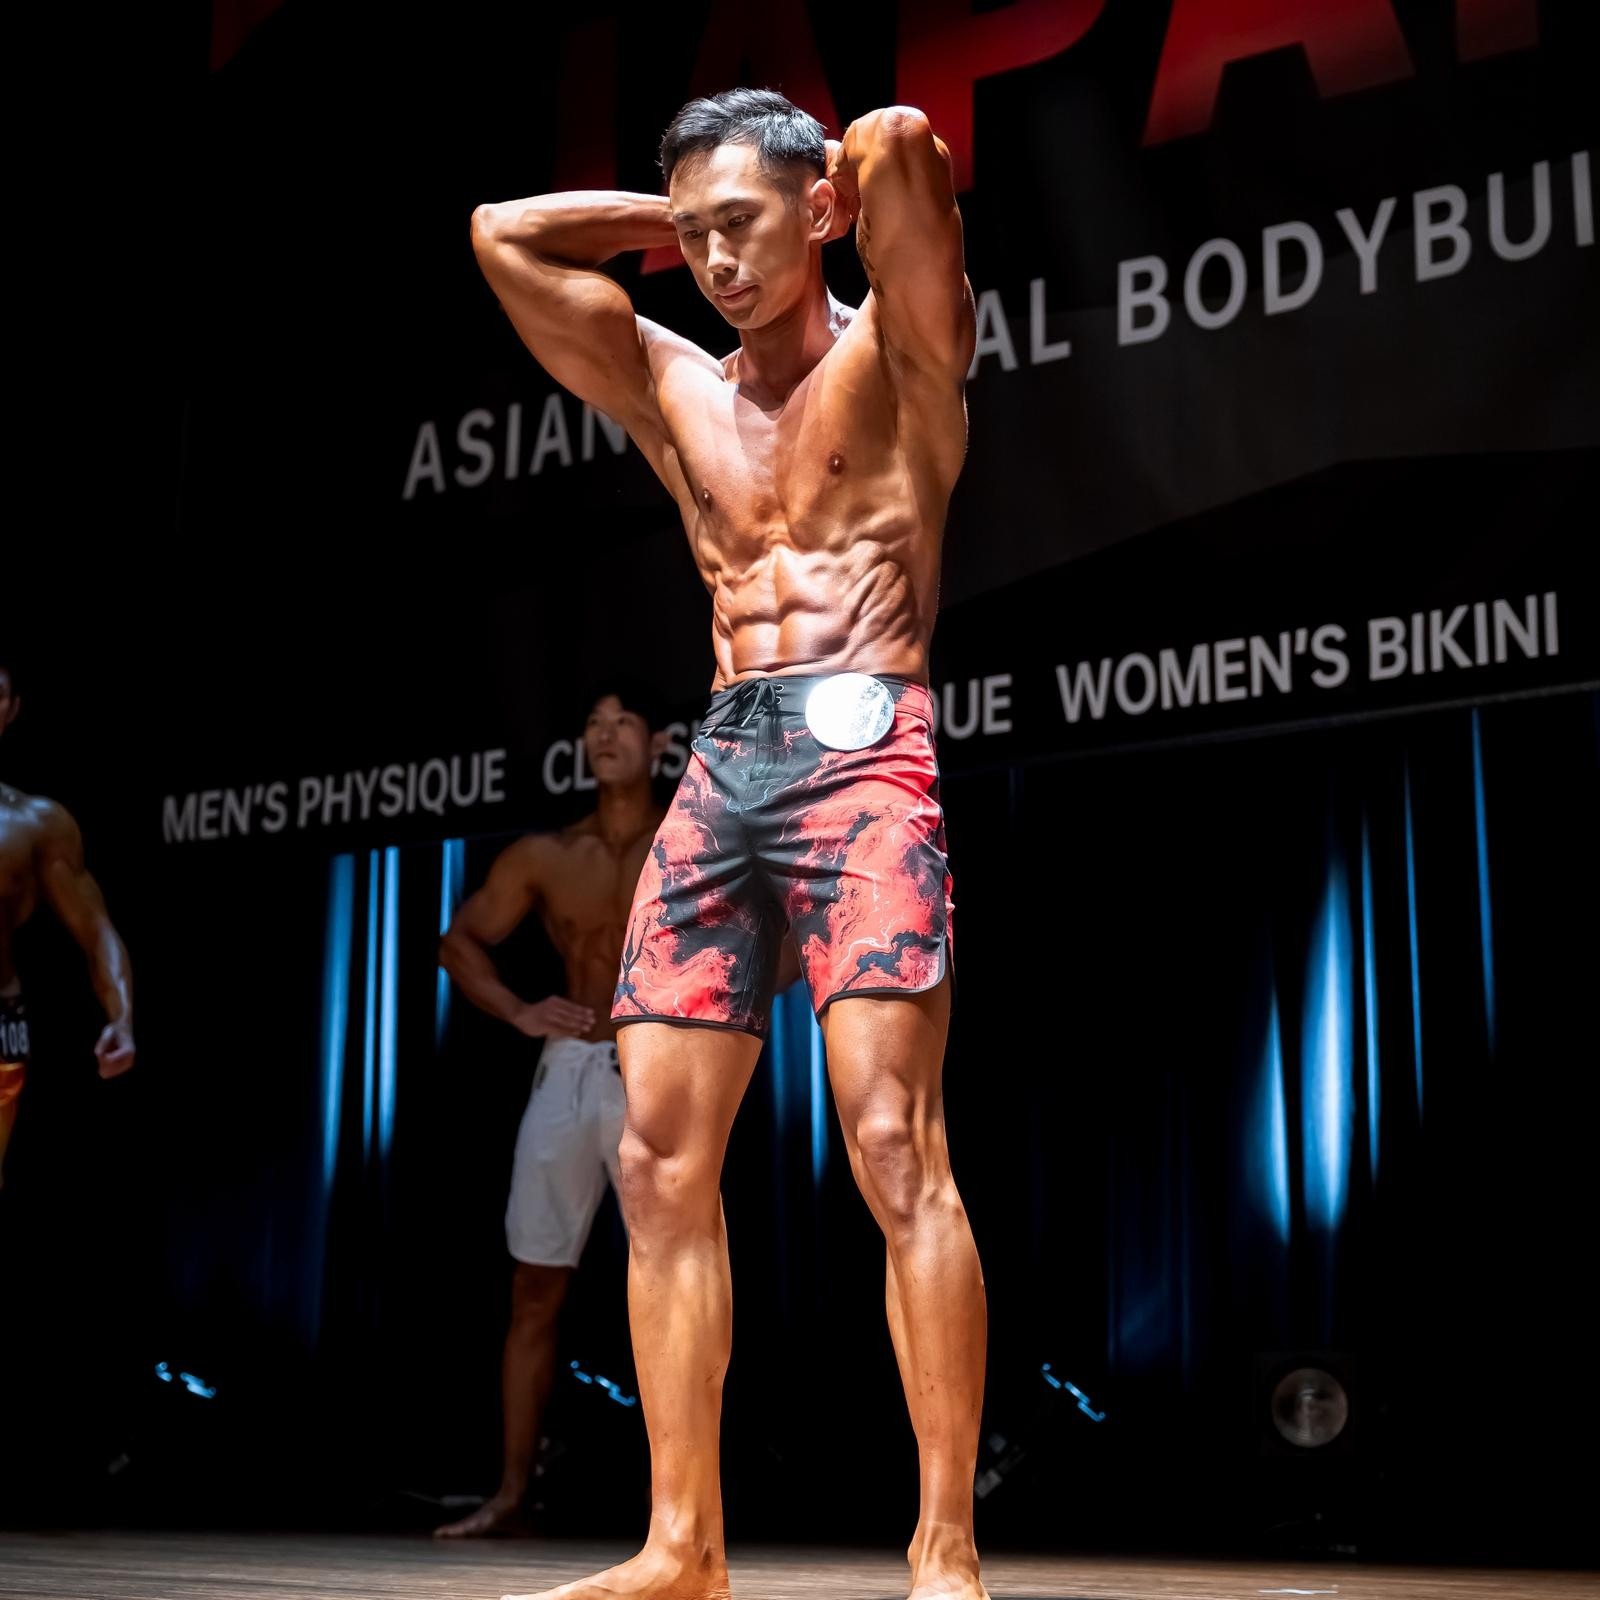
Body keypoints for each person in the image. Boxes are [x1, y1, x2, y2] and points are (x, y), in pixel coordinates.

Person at [472, 87, 985, 1600]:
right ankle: (682, 1546)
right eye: (694, 239)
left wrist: (814, 173)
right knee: (654, 1163)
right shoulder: (666, 378)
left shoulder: (906, 355)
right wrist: (683, 206)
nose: (714, 262)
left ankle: (943, 1542)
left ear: (820, 212)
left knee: (890, 1143)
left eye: (742, 227)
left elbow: (901, 143)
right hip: (725, 761)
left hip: (866, 755)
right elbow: (499, 236)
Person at [434, 688, 668, 1537]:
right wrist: (519, 1009)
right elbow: (457, 941)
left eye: (622, 722)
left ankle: (679, 1506)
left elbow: (779, 930)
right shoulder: (549, 852)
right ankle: (509, 1494)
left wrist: (718, 1029)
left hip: (658, 1065)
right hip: (567, 1066)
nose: (604, 736)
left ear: (659, 741)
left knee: (673, 1278)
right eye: (593, 725)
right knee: (534, 1285)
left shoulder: (689, 836)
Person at [0, 657, 135, 1189]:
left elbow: (96, 929)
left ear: (11, 710)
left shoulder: (35, 825)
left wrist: (121, 1016)